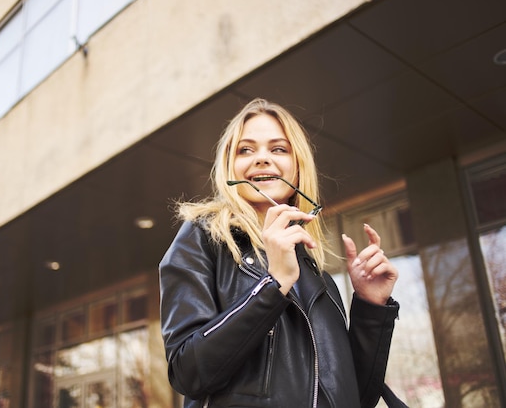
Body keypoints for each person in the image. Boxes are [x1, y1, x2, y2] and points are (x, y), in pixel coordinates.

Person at [159, 98, 400, 407]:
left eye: (278, 149)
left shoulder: (318, 276)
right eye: (245, 150)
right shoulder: (202, 238)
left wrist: (370, 306)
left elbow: (357, 397)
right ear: (229, 166)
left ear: (297, 167)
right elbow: (187, 373)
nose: (261, 159)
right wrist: (273, 285)